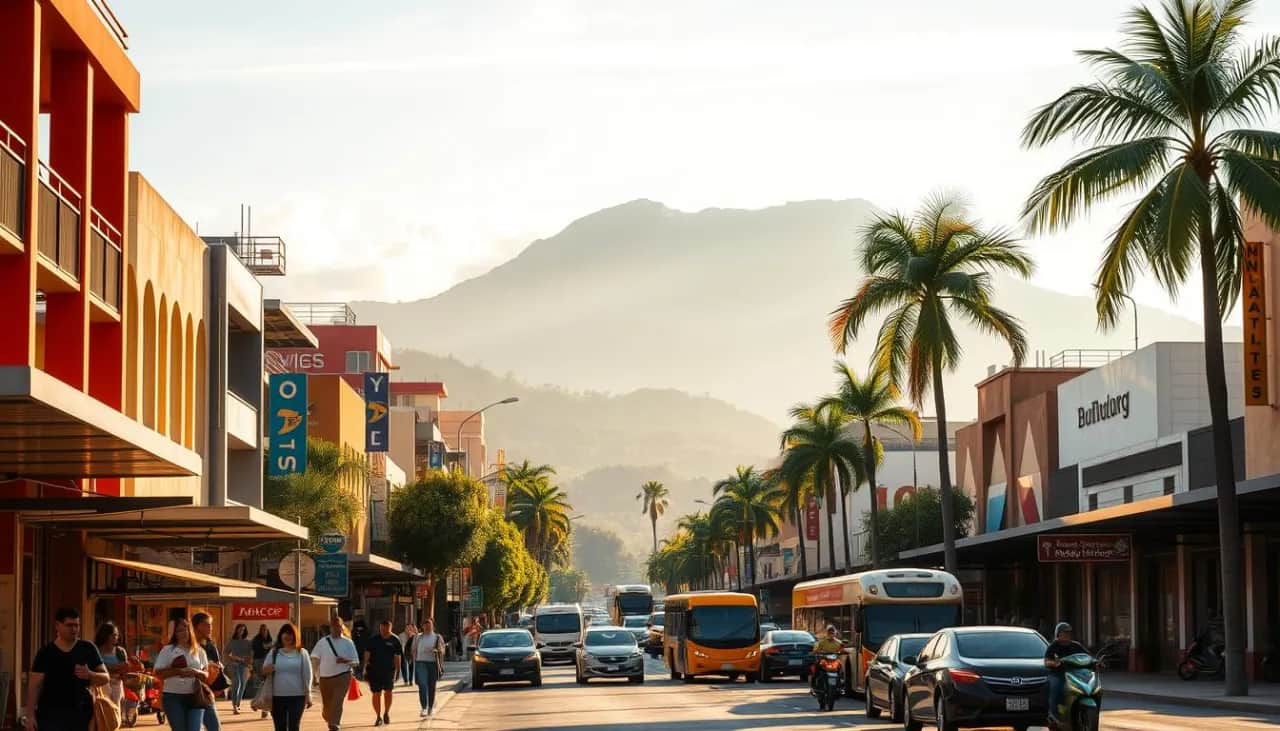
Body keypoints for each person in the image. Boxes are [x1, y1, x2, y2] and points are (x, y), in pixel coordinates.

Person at [21, 607, 110, 731]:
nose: (74, 629)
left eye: (76, 625)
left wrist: (90, 675)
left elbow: (105, 678)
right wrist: (30, 716)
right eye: (69, 625)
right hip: (50, 716)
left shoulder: (88, 648)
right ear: (57, 625)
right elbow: (34, 686)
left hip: (82, 715)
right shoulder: (46, 652)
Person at [153, 617, 210, 731]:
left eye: (186, 629)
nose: (184, 632)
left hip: (195, 696)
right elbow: (158, 673)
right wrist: (178, 671)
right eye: (180, 630)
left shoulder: (199, 651)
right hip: (173, 697)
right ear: (175, 634)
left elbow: (206, 675)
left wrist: (195, 672)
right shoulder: (168, 650)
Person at [311, 615, 360, 731]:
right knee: (327, 705)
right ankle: (328, 716)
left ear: (342, 627)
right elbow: (314, 658)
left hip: (343, 676)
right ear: (330, 628)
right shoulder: (322, 642)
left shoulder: (348, 643)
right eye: (334, 626)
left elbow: (356, 662)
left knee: (337, 701)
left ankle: (334, 724)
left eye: (339, 626)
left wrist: (345, 660)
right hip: (325, 678)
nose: (336, 629)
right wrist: (314, 675)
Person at [261, 623, 312, 731]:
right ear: (281, 635)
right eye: (285, 633)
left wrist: (308, 695)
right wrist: (268, 669)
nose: (288, 636)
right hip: (277, 697)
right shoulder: (274, 652)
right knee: (280, 727)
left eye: (290, 634)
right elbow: (263, 670)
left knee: (294, 726)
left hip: (298, 696)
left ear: (295, 636)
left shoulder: (302, 653)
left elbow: (307, 675)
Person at [1044, 621, 1089, 723]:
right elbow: (1046, 661)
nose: (1067, 635)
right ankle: (1053, 714)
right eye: (1064, 633)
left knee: (1084, 688)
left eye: (1068, 633)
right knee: (1056, 687)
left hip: (1075, 675)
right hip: (1058, 674)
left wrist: (1096, 662)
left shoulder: (1076, 645)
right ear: (1058, 634)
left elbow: (1087, 656)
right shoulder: (1053, 646)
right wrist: (1054, 663)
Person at [361, 620, 402, 727]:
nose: (384, 631)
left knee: (388, 692)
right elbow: (367, 654)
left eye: (386, 629)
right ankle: (378, 716)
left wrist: (398, 671)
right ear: (380, 628)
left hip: (389, 671)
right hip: (374, 671)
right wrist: (364, 668)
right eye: (382, 629)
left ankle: (386, 713)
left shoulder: (395, 640)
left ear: (390, 628)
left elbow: (397, 656)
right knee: (376, 693)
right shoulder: (373, 640)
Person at [191, 613, 225, 731]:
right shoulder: (188, 644)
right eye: (206, 624)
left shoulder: (209, 644)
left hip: (205, 691)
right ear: (196, 626)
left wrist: (217, 667)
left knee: (214, 727)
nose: (210, 628)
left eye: (210, 625)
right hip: (186, 691)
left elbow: (216, 662)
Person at [413, 618, 446, 718]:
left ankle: (430, 707)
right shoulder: (417, 637)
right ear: (422, 626)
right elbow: (413, 649)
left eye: (429, 624)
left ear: (433, 626)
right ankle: (424, 707)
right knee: (422, 685)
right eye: (425, 625)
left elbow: (443, 650)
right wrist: (415, 659)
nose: (427, 626)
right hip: (421, 663)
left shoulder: (437, 637)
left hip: (433, 664)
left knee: (431, 687)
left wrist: (437, 650)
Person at [96, 621, 129, 707]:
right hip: (100, 686)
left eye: (117, 635)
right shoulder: (96, 651)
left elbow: (124, 670)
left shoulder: (120, 652)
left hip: (116, 685)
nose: (116, 638)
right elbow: (96, 669)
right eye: (113, 635)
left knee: (115, 712)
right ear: (105, 635)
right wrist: (116, 667)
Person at [224, 624, 252, 715]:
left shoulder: (248, 642)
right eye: (240, 630)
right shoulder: (232, 641)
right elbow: (226, 653)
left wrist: (249, 661)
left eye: (243, 630)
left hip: (244, 665)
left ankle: (238, 704)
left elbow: (251, 654)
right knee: (237, 683)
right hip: (234, 665)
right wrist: (234, 658)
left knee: (243, 685)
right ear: (236, 630)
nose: (241, 631)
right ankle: (234, 706)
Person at [811, 625, 845, 690]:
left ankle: (841, 684)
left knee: (840, 667)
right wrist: (815, 652)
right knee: (817, 666)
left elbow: (842, 650)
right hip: (824, 659)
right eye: (829, 633)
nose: (831, 634)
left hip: (834, 660)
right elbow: (816, 649)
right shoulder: (822, 642)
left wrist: (843, 652)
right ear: (827, 633)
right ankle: (814, 685)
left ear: (835, 633)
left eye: (832, 633)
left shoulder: (839, 642)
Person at [251, 624, 273, 718]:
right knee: (264, 684)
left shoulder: (269, 638)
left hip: (267, 662)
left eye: (266, 630)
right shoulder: (256, 639)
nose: (265, 632)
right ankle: (258, 704)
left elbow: (270, 648)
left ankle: (262, 708)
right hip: (259, 662)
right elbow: (258, 650)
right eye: (263, 630)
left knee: (265, 684)